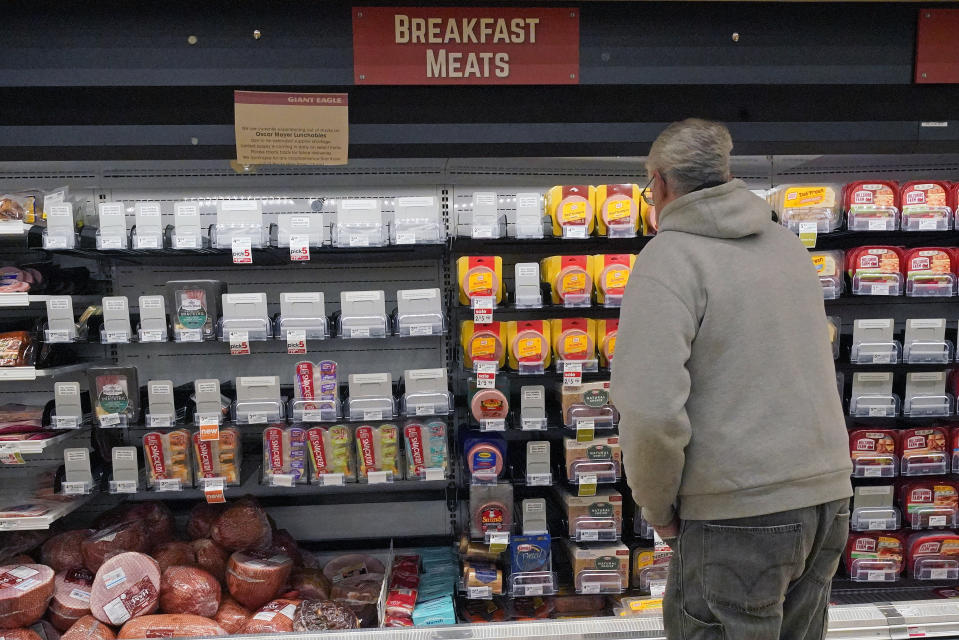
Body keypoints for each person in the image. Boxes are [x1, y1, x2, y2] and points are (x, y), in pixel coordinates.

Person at [610, 119, 852, 640]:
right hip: (827, 498)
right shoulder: (787, 246)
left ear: (660, 184)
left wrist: (658, 507)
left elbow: (651, 411)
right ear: (726, 174)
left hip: (738, 514)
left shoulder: (668, 259)